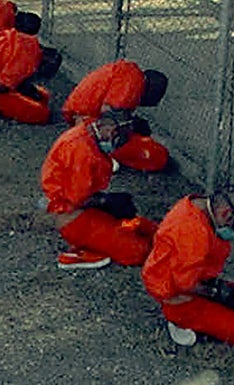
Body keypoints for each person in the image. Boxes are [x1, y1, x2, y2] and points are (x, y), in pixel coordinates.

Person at [141, 185, 234, 349]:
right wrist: (217, 294)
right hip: (181, 298)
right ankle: (184, 323)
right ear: (226, 213)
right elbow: (184, 284)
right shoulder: (195, 235)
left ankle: (212, 321)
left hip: (197, 280)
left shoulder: (195, 206)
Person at [39, 112, 158, 270]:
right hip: (73, 217)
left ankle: (96, 244)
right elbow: (77, 199)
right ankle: (81, 252)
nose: (118, 140)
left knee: (146, 227)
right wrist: (105, 201)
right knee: (139, 251)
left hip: (82, 207)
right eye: (116, 134)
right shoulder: (81, 151)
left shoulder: (88, 135)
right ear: (105, 127)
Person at [63, 60, 172, 172]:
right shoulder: (134, 82)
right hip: (86, 123)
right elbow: (110, 124)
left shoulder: (129, 74)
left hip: (82, 117)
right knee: (157, 155)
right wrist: (132, 128)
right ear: (151, 90)